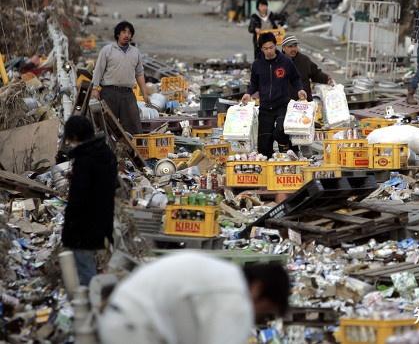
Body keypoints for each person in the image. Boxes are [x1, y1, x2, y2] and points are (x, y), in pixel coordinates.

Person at [98, 252, 290, 344]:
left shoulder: (222, 275)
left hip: (121, 319)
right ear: (257, 289)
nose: (260, 316)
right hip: (135, 331)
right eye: (266, 310)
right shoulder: (235, 296)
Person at [61, 115, 117, 286]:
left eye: (70, 138)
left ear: (75, 137)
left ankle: (93, 307)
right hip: (104, 220)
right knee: (99, 266)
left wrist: (69, 227)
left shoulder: (84, 160)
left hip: (84, 226)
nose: (69, 142)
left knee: (86, 272)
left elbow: (78, 198)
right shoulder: (105, 153)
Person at [242, 32, 306, 158]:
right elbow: (254, 83)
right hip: (265, 107)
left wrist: (300, 90)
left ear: (275, 46)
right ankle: (270, 165)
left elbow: (295, 78)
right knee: (263, 147)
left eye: (271, 47)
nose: (269, 51)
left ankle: (290, 152)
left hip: (282, 105)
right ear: (261, 49)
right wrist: (248, 93)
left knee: (281, 131)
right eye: (266, 48)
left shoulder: (285, 61)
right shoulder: (257, 64)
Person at [91, 21, 149, 135]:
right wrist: (94, 88)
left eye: (129, 33)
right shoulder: (107, 50)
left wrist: (145, 93)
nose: (127, 35)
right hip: (109, 93)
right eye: (124, 32)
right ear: (118, 34)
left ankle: (133, 151)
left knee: (134, 125)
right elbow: (98, 70)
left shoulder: (135, 52)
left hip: (127, 94)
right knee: (106, 124)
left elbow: (139, 74)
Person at [282, 35, 333, 101]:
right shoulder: (278, 62)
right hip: (286, 103)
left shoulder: (304, 60)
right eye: (290, 46)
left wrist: (326, 79)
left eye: (295, 46)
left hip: (305, 101)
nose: (293, 49)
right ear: (283, 48)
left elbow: (315, 74)